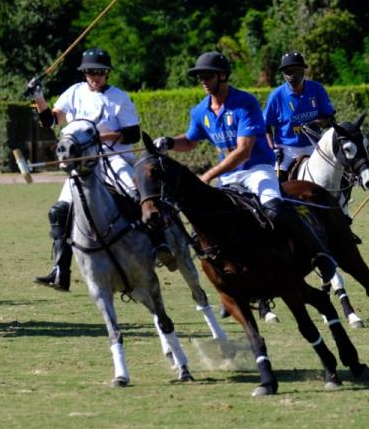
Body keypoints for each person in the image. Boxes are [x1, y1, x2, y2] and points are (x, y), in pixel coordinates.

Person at [152, 51, 339, 285]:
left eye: (207, 76)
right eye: (200, 77)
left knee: (274, 207)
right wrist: (169, 142)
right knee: (207, 219)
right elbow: (190, 140)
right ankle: (228, 276)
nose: (203, 81)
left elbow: (244, 151)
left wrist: (208, 175)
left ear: (222, 76)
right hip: (229, 176)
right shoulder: (200, 111)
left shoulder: (244, 103)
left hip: (257, 168)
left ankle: (321, 254)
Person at [25, 48, 160, 291]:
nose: (95, 78)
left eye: (99, 73)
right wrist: (38, 95)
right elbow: (50, 120)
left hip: (111, 157)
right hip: (82, 164)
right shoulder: (74, 92)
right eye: (90, 73)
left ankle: (158, 245)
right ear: (85, 74)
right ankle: (60, 270)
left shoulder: (118, 98)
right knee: (59, 212)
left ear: (107, 74)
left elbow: (133, 133)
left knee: (136, 193)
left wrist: (96, 137)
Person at [264, 51, 336, 179]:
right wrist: (272, 147)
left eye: (295, 70)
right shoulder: (276, 96)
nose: (292, 75)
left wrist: (320, 123)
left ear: (303, 71)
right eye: (288, 72)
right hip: (287, 150)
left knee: (335, 174)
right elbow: (266, 126)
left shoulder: (317, 89)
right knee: (277, 183)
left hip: (315, 145)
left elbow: (330, 118)